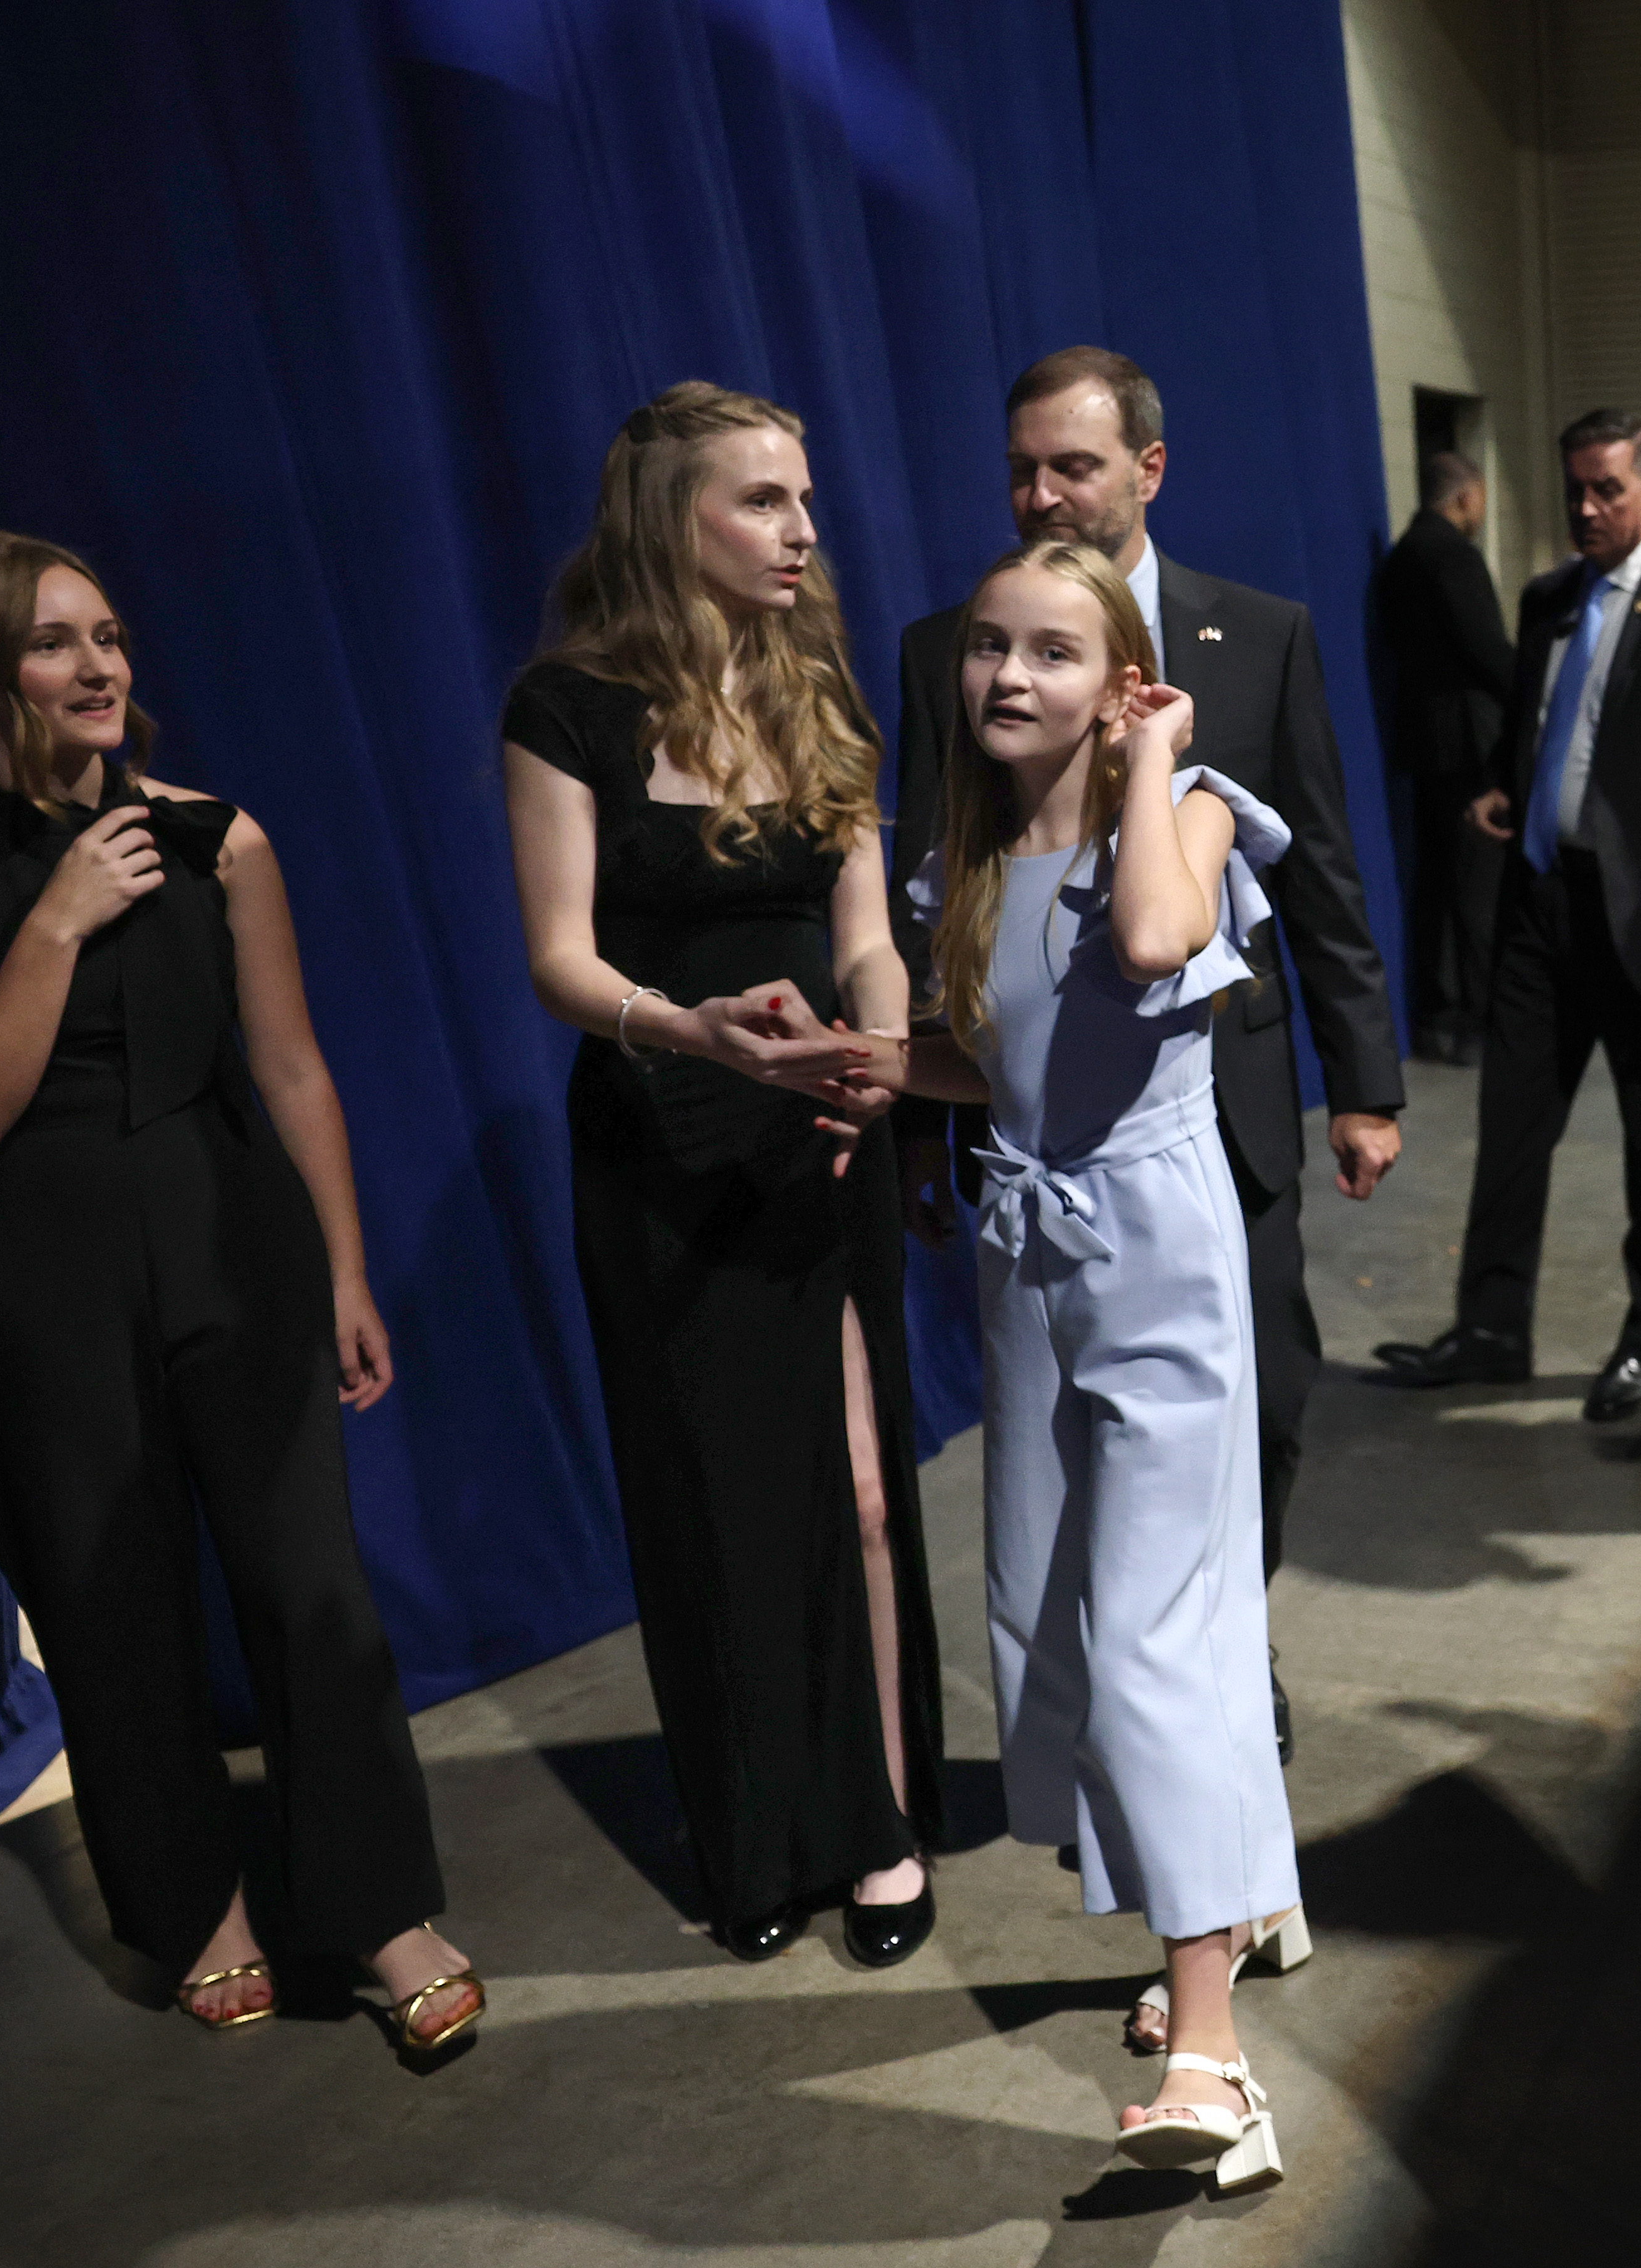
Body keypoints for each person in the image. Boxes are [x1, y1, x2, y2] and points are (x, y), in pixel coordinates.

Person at [0, 532, 477, 2054]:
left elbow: (292, 1062)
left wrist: (342, 1265)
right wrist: (54, 919)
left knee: (311, 1589)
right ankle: (200, 1912)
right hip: (32, 1274)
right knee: (107, 1606)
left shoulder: (219, 838)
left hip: (224, 1235)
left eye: (109, 634)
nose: (101, 665)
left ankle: (384, 1911)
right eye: (54, 642)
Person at [869, 537, 1304, 2195]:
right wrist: (853, 1061)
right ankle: (1228, 1903)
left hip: (1160, 1269)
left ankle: (1215, 2055)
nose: (1004, 679)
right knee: (1054, 1623)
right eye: (988, 647)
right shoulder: (969, 861)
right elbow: (1001, 1065)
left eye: (1052, 652)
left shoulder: (1187, 813)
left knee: (1154, 1633)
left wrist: (1148, 756)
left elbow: (1142, 944)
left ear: (1122, 681)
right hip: (1027, 1266)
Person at [500, 382, 944, 1969]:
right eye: (762, 500)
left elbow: (871, 937)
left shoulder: (816, 685)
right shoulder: (565, 706)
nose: (802, 530)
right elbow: (558, 957)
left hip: (820, 1123)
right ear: (664, 517)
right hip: (666, 1137)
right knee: (719, 1503)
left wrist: (874, 1064)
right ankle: (760, 1832)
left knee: (870, 1494)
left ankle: (884, 1822)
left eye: (804, 500)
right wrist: (688, 1028)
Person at [895, 348, 1406, 1688]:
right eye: (1022, 469)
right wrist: (908, 1118)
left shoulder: (1257, 631)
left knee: (1274, 1391)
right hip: (1036, 1122)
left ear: (1146, 470)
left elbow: (1320, 872)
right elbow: (922, 907)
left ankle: (1222, 1637)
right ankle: (1152, 1676)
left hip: (1218, 1104)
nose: (1043, 493)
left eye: (1073, 464)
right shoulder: (948, 653)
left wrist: (1363, 1082)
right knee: (1074, 1436)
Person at [1374, 409, 1641, 1422]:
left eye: (1607, 491)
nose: (1585, 509)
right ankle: (1491, 1331)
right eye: (1575, 490)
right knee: (1509, 1129)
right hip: (1538, 905)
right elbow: (1546, 722)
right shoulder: (1545, 600)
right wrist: (1511, 786)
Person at [1373, 449, 1515, 1065]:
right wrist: (1531, 695)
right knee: (1477, 888)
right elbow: (1484, 646)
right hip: (1468, 740)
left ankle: (1438, 1015)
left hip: (1421, 741)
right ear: (1465, 497)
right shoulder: (1454, 556)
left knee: (1435, 884)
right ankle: (1481, 1021)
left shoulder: (1401, 557)